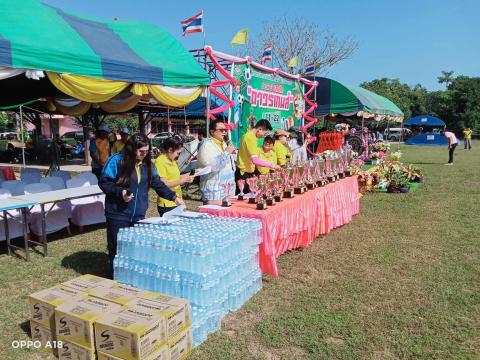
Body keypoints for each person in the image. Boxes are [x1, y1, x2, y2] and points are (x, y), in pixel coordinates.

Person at [99, 133, 184, 277]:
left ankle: (130, 277)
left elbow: (157, 183)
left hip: (138, 214)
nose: (144, 154)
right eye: (141, 151)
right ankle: (114, 277)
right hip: (118, 213)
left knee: (133, 248)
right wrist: (121, 192)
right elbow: (104, 183)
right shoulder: (116, 161)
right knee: (117, 248)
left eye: (147, 151)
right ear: (132, 149)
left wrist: (173, 197)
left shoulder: (148, 165)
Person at [197, 120, 236, 204]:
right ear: (212, 131)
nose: (224, 132)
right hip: (214, 192)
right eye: (221, 130)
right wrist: (226, 153)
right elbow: (212, 166)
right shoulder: (206, 145)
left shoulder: (225, 144)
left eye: (225, 130)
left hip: (227, 191)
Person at [236, 119, 278, 193]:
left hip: (248, 172)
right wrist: (271, 165)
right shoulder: (250, 138)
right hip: (244, 174)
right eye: (264, 133)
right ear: (260, 129)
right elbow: (255, 160)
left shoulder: (251, 137)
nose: (263, 136)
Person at [154, 138, 194, 216]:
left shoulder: (172, 160)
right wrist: (183, 180)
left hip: (177, 200)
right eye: (178, 153)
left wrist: (189, 175)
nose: (178, 156)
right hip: (167, 203)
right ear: (170, 150)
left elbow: (175, 177)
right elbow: (164, 184)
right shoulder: (160, 161)